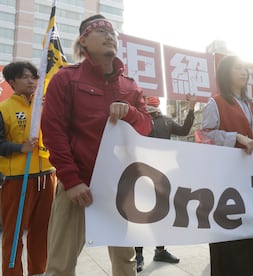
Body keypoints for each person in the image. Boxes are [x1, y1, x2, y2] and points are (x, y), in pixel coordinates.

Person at [41, 14, 152, 276]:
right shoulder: (64, 79)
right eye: (100, 30)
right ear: (84, 41)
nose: (109, 35)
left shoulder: (130, 86)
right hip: (77, 187)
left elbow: (146, 128)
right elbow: (53, 132)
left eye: (112, 31)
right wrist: (71, 180)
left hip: (119, 187)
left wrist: (130, 113)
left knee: (125, 262)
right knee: (60, 264)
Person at [200, 55, 253, 276]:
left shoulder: (250, 105)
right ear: (226, 73)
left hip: (247, 177)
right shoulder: (215, 102)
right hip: (225, 179)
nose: (244, 72)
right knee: (228, 230)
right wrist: (236, 137)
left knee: (248, 226)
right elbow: (205, 135)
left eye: (245, 69)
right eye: (238, 68)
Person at [0, 61, 57, 276]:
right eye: (26, 77)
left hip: (46, 175)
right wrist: (18, 147)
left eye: (34, 76)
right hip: (16, 180)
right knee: (14, 235)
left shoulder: (44, 106)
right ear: (12, 81)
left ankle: (38, 272)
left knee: (42, 232)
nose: (32, 81)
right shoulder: (3, 109)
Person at [134, 94, 196, 272]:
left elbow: (184, 131)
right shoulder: (137, 118)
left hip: (163, 174)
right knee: (139, 213)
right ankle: (137, 254)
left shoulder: (167, 121)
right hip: (141, 173)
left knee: (161, 212)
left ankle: (160, 250)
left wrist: (191, 108)